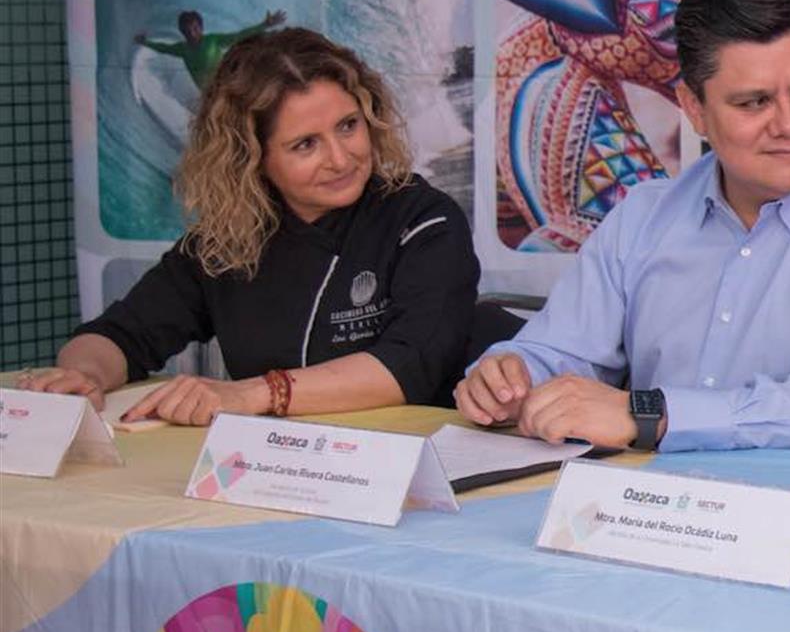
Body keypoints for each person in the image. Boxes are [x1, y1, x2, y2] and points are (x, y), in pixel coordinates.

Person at [456, 0, 790, 462]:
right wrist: (511, 373)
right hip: (658, 511)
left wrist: (647, 416)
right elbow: (563, 350)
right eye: (754, 103)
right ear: (693, 108)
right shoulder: (645, 215)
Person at [22, 29, 486, 422]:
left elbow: (410, 364)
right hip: (283, 474)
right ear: (251, 158)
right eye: (306, 144)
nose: (341, 158)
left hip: (412, 474)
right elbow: (122, 334)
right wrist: (84, 375)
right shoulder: (228, 241)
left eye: (348, 126)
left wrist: (251, 394)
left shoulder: (423, 220)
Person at [138, 9, 285, 92]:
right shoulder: (182, 49)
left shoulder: (212, 40)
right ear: (182, 31)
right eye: (187, 30)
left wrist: (264, 24)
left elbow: (238, 36)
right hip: (210, 95)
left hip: (231, 85)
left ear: (201, 28)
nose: (192, 33)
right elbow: (163, 48)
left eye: (195, 28)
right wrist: (144, 42)